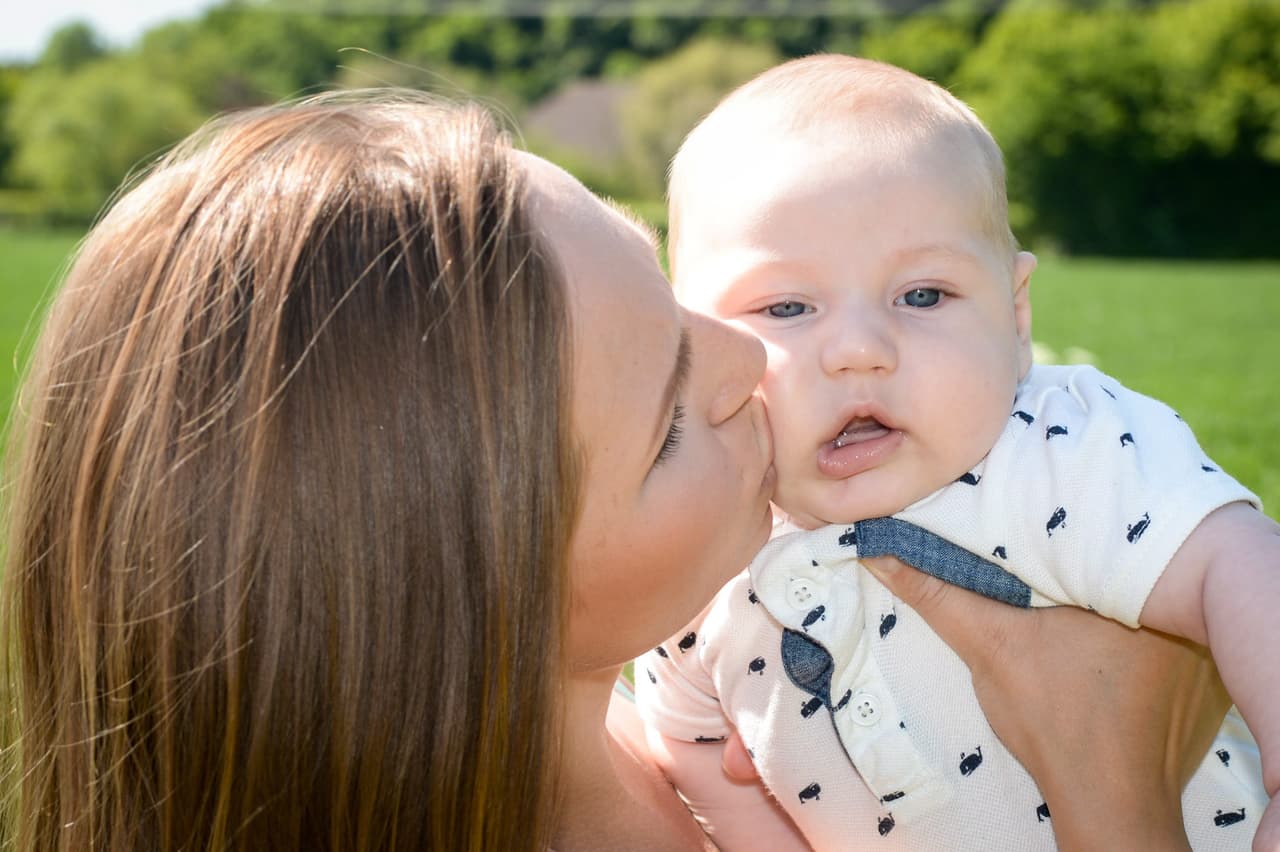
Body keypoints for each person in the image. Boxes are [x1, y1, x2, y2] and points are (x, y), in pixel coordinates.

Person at [0, 92, 1243, 852]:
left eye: (665, 293)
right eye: (662, 426)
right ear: (450, 610)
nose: (748, 362)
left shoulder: (702, 731)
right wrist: (1112, 797)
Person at [639, 55, 1279, 850]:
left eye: (922, 296)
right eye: (788, 306)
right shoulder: (704, 551)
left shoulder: (1057, 446)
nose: (860, 350)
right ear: (693, 343)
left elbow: (1241, 564)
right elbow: (688, 739)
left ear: (1015, 318)